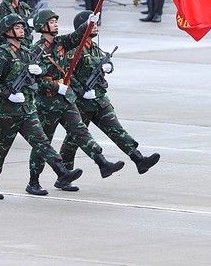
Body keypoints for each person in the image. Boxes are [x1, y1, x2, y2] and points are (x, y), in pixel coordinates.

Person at [0, 13, 84, 200]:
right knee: (0, 149)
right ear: (8, 31)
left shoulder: (28, 52)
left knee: (42, 142)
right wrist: (9, 94)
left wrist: (38, 73)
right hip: (7, 112)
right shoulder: (3, 53)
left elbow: (37, 78)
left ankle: (62, 172)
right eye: (17, 27)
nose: (22, 30)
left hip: (27, 109)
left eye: (22, 27)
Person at [27, 8, 124, 195]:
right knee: (43, 143)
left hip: (66, 99)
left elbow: (76, 36)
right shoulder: (35, 51)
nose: (56, 24)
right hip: (47, 103)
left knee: (81, 132)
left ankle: (102, 163)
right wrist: (56, 87)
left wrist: (88, 24)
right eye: (52, 21)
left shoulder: (61, 43)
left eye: (56, 21)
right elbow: (34, 81)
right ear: (43, 26)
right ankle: (34, 181)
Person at [60, 11, 160, 177]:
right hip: (81, 103)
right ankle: (64, 174)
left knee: (116, 130)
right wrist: (81, 91)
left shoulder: (94, 48)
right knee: (74, 140)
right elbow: (67, 75)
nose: (96, 28)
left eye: (96, 25)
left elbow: (104, 63)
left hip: (99, 100)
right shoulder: (73, 51)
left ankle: (138, 159)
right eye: (92, 25)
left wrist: (109, 67)